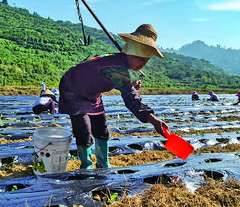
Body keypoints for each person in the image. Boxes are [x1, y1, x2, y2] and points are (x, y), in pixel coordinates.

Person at [59, 24, 169, 169]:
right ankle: (86, 166)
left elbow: (111, 79)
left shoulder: (119, 64)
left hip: (91, 93)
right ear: (130, 52)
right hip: (73, 88)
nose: (142, 63)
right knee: (83, 130)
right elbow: (130, 97)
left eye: (146, 60)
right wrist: (153, 120)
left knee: (101, 128)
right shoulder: (117, 67)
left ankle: (104, 164)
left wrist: (129, 85)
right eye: (139, 58)